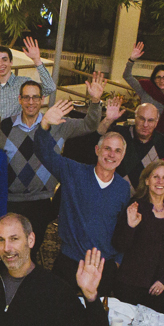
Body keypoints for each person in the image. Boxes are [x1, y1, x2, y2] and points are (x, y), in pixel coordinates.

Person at [0, 75, 113, 244]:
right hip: (11, 200)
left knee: (33, 247)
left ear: (42, 99)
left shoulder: (59, 124)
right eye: (26, 97)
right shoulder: (5, 126)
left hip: (42, 200)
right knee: (11, 245)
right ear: (19, 99)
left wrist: (95, 101)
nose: (31, 102)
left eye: (35, 97)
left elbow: (90, 125)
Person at [34, 99, 134, 292]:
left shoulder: (123, 188)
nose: (111, 155)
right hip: (69, 262)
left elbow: (124, 228)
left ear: (122, 157)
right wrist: (45, 124)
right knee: (60, 315)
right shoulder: (74, 171)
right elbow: (44, 153)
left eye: (117, 151)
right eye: (107, 148)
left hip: (103, 267)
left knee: (93, 319)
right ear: (97, 150)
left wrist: (118, 262)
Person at [110, 161, 164, 311]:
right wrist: (130, 226)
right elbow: (119, 245)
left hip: (160, 288)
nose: (160, 182)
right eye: (155, 177)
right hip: (130, 284)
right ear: (147, 181)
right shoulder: (135, 205)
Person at [0, 37, 56, 120]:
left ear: (11, 62)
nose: (1, 64)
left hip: (19, 131)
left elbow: (50, 88)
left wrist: (37, 60)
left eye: (4, 60)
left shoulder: (24, 83)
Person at [108, 101, 164, 185]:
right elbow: (94, 141)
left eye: (150, 120)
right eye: (142, 119)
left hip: (147, 196)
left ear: (156, 123)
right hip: (117, 192)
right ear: (135, 118)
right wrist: (108, 120)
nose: (145, 125)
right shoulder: (120, 134)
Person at [122, 42, 164, 128]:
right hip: (142, 130)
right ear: (154, 79)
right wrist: (131, 60)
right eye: (158, 77)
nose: (161, 80)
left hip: (163, 135)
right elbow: (127, 76)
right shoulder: (147, 90)